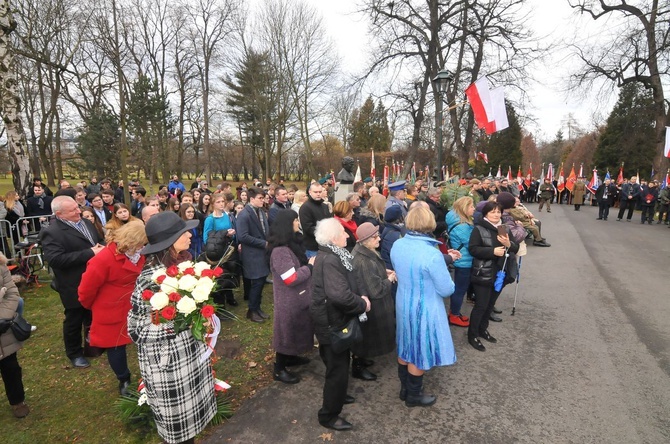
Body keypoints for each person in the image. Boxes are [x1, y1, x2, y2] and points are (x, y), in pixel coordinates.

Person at [127, 211, 215, 444]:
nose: (190, 234)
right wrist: (180, 322)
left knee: (191, 430)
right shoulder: (150, 279)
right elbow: (136, 330)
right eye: (183, 232)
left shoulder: (184, 265)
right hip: (169, 365)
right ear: (168, 242)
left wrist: (200, 317)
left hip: (190, 357)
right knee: (178, 435)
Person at [390, 206, 455, 408]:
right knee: (418, 350)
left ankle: (405, 389)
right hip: (424, 308)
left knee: (405, 344)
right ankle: (413, 396)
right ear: (430, 223)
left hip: (403, 302)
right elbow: (446, 289)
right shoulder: (431, 254)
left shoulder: (397, 244)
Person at [310, 218, 370, 431]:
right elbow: (340, 296)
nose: (347, 236)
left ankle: (338, 395)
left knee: (337, 366)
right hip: (331, 323)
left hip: (332, 320)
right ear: (333, 238)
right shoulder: (330, 260)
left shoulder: (333, 255)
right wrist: (362, 304)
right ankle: (328, 415)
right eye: (344, 233)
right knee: (337, 369)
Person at [78, 221, 147, 396]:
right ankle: (124, 378)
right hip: (112, 309)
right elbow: (86, 289)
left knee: (143, 340)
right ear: (131, 241)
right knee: (116, 346)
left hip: (135, 305)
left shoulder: (140, 254)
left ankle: (149, 373)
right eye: (140, 244)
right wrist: (92, 307)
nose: (142, 247)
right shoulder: (103, 259)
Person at [40, 196, 105, 368]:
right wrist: (90, 253)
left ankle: (94, 344)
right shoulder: (52, 232)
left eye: (77, 207)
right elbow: (56, 260)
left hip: (95, 278)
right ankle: (74, 353)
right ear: (59, 214)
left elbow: (98, 241)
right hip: (73, 283)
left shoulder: (86, 222)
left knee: (93, 313)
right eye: (73, 210)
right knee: (74, 318)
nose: (79, 211)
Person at [267, 210, 315, 384]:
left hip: (298, 298)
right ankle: (279, 369)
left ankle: (291, 356)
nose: (298, 223)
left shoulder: (290, 245)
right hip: (288, 300)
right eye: (295, 220)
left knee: (297, 329)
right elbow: (290, 278)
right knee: (286, 333)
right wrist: (309, 268)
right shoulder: (280, 251)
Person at [468, 201, 519, 352]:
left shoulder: (503, 228)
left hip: (500, 272)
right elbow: (473, 249)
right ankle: (472, 336)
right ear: (485, 214)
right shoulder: (479, 229)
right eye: (493, 212)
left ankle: (483, 330)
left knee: (490, 305)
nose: (496, 215)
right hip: (484, 272)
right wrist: (492, 252)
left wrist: (509, 244)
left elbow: (514, 247)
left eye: (498, 212)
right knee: (481, 305)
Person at [351, 223, 396, 382]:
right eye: (375, 237)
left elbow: (371, 274)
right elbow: (375, 290)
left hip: (368, 305)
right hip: (371, 306)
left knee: (365, 337)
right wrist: (389, 279)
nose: (379, 238)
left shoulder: (363, 251)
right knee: (365, 336)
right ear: (364, 240)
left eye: (378, 235)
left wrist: (383, 272)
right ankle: (357, 367)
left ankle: (361, 360)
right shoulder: (363, 260)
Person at [0, 253, 29, 418]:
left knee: (11, 367)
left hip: (3, 327)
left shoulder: (1, 265)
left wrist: (2, 317)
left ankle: (18, 401)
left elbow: (12, 294)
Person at [236, 187, 270, 323]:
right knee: (257, 282)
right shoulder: (244, 214)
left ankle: (257, 308)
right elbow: (243, 236)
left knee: (261, 281)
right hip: (252, 254)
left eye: (263, 198)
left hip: (261, 253)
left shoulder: (260, 212)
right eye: (260, 198)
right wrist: (263, 243)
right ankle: (251, 310)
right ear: (251, 199)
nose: (263, 200)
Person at [202, 194, 237, 307]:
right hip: (217, 252)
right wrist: (223, 234)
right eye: (218, 202)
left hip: (228, 249)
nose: (222, 204)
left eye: (223, 201)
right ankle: (220, 303)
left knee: (229, 272)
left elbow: (230, 231)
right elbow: (206, 238)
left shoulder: (227, 216)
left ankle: (230, 296)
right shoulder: (210, 219)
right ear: (213, 204)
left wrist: (231, 235)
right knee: (219, 277)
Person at [445, 196, 475, 327]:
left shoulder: (457, 220)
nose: (474, 209)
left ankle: (455, 313)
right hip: (464, 261)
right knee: (459, 290)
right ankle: (454, 315)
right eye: (471, 206)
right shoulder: (462, 226)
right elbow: (471, 244)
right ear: (464, 208)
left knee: (460, 289)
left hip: (462, 260)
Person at [299, 182, 331, 258]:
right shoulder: (305, 208)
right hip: (312, 247)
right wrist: (325, 232)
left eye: (320, 192)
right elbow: (308, 228)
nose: (318, 194)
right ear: (310, 192)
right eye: (315, 192)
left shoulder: (324, 206)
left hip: (326, 245)